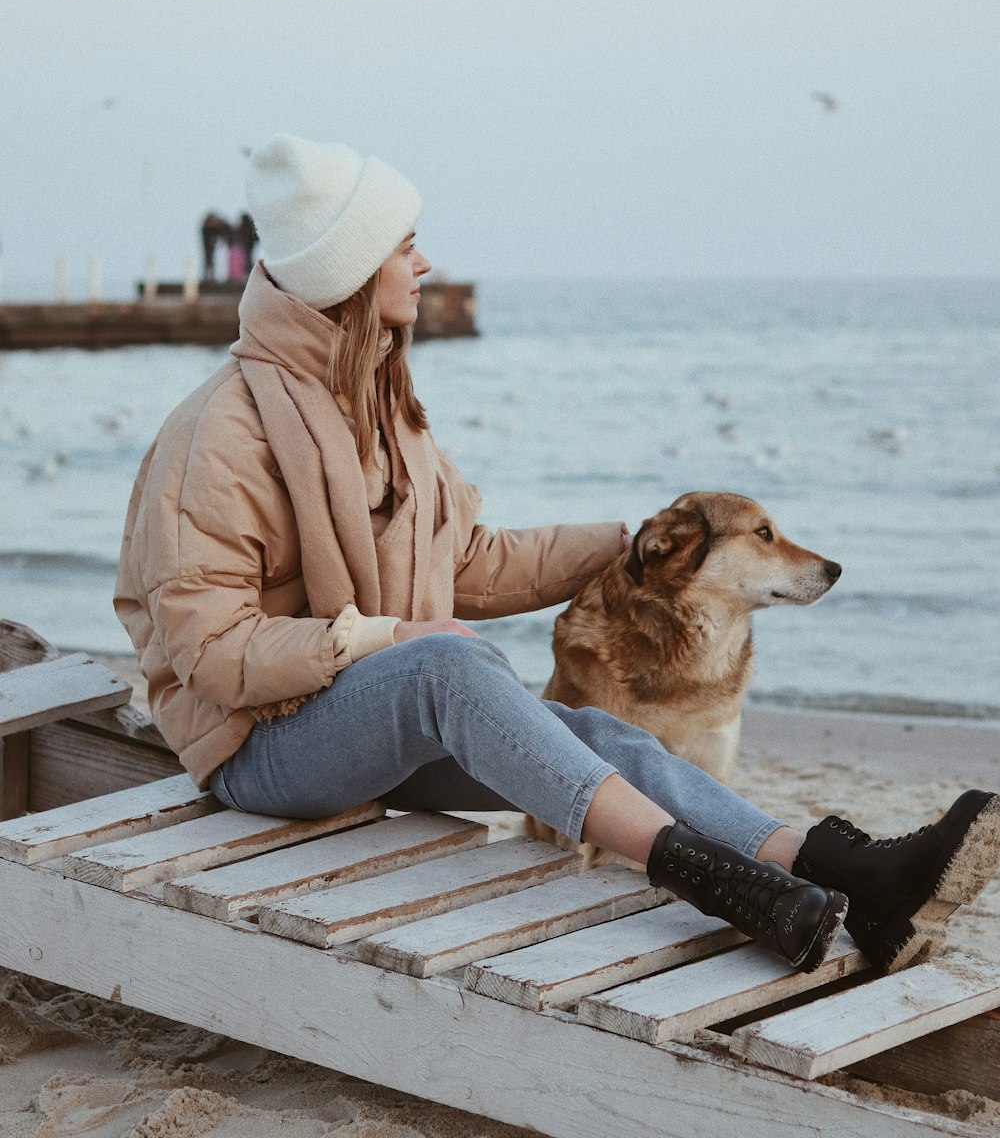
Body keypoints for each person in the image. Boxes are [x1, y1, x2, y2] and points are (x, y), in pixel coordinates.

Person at [116, 135, 1000, 978]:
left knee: (594, 733)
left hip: (359, 724)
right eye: (407, 247)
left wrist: (628, 550)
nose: (425, 266)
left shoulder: (378, 405)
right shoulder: (223, 434)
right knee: (445, 667)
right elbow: (211, 653)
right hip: (258, 748)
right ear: (350, 271)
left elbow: (463, 560)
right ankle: (708, 877)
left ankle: (841, 872)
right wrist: (381, 639)